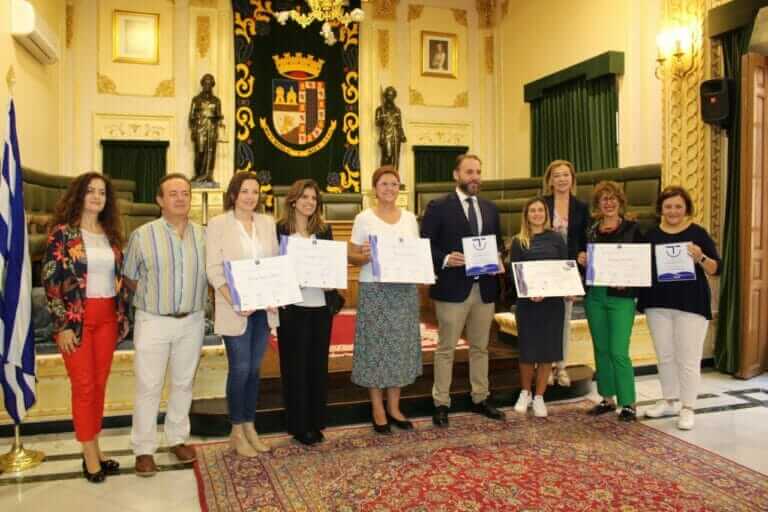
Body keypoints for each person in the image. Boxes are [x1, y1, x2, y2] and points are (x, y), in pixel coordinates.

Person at [42, 172, 129, 483]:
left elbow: (119, 279)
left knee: (100, 384)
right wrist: (62, 325)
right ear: (79, 195)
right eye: (90, 191)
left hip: (108, 317)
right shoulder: (62, 234)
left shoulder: (111, 234)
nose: (96, 197)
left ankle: (95, 446)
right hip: (76, 320)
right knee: (84, 386)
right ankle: (89, 454)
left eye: (102, 193)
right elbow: (51, 282)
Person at [123, 173, 208, 476]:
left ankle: (177, 438)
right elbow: (130, 278)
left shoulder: (204, 235)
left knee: (184, 383)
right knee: (149, 386)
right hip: (154, 321)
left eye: (185, 193)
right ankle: (144, 449)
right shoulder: (142, 235)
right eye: (173, 193)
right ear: (160, 200)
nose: (181, 198)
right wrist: (156, 300)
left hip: (193, 320)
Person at [420, 154, 504, 427]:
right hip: (452, 289)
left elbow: (498, 244)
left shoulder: (490, 208)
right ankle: (441, 402)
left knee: (481, 347)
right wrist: (444, 259)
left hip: (484, 289)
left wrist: (498, 259)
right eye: (469, 172)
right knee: (446, 348)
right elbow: (426, 245)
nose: (475, 177)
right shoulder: (438, 207)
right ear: (456, 175)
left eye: (478, 172)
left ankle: (480, 397)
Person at [638, 186, 720, 430]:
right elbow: (640, 267)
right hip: (657, 304)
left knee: (688, 358)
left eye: (678, 206)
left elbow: (716, 268)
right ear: (660, 209)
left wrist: (700, 257)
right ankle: (669, 399)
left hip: (691, 304)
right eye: (668, 206)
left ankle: (688, 407)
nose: (673, 211)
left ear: (686, 209)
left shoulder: (698, 234)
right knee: (664, 356)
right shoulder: (651, 235)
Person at [206, 171, 276, 455]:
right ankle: (236, 430)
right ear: (234, 194)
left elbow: (274, 265)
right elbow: (213, 270)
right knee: (240, 369)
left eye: (255, 192)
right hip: (235, 309)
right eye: (245, 191)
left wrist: (275, 295)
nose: (250, 197)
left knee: (256, 370)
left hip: (263, 310)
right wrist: (236, 300)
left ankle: (250, 425)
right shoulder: (218, 223)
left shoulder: (267, 223)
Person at [349, 166, 422, 434]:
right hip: (374, 288)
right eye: (384, 184)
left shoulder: (410, 219)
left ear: (399, 188)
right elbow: (352, 256)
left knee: (399, 348)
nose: (389, 188)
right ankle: (377, 408)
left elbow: (416, 254)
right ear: (374, 188)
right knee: (375, 348)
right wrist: (364, 256)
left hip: (403, 290)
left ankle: (394, 407)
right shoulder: (363, 218)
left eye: (394, 184)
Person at [276, 179, 342, 445]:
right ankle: (298, 425)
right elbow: (275, 265)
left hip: (320, 308)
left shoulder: (324, 230)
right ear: (293, 200)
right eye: (304, 197)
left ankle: (316, 421)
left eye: (314, 199)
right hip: (293, 308)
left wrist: (331, 280)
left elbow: (333, 268)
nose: (309, 202)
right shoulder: (280, 230)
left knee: (317, 366)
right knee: (295, 367)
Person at [578, 181, 644, 421]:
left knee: (618, 351)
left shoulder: (633, 229)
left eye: (613, 198)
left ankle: (628, 403)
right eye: (604, 199)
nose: (609, 203)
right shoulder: (591, 230)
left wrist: (629, 281)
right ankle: (607, 398)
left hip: (622, 298)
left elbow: (642, 264)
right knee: (602, 349)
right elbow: (581, 255)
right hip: (595, 295)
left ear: (620, 201)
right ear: (598, 204)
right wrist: (581, 257)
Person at [509, 198, 569, 417]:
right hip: (528, 304)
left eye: (540, 210)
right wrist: (529, 291)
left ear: (546, 213)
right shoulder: (518, 241)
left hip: (552, 304)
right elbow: (513, 275)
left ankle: (540, 397)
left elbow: (565, 267)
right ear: (526, 215)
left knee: (547, 351)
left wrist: (567, 288)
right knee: (527, 351)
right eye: (532, 210)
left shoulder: (557, 238)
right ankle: (525, 392)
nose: (537, 214)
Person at [542, 160, 590, 387]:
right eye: (557, 175)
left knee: (563, 320)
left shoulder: (581, 207)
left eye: (566, 175)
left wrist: (582, 254)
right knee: (546, 318)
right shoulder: (542, 203)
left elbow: (585, 239)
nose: (562, 179)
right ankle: (545, 366)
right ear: (550, 180)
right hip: (544, 269)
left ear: (572, 179)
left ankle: (561, 367)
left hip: (569, 270)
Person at [189, 73, 223, 184]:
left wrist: (218, 124)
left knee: (210, 153)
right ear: (202, 84)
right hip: (199, 128)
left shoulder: (216, 100)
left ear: (212, 85)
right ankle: (198, 175)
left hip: (212, 129)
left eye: (209, 84)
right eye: (205, 83)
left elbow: (219, 116)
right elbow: (191, 116)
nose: (207, 85)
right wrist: (193, 130)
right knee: (200, 151)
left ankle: (208, 176)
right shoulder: (196, 99)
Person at [375, 86, 407, 170]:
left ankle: (395, 178)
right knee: (387, 156)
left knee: (396, 157)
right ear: (385, 96)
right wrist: (382, 119)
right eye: (389, 95)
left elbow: (400, 125)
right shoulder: (379, 110)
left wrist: (402, 135)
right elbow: (377, 123)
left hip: (396, 135)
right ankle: (384, 176)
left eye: (392, 96)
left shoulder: (397, 110)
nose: (390, 97)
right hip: (386, 135)